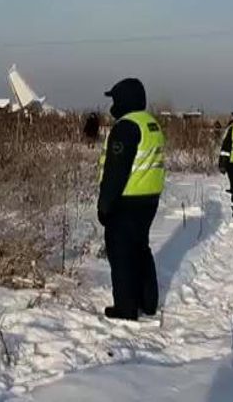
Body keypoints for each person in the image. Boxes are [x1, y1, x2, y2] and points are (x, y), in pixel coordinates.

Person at [97, 78, 165, 321]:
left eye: (115, 99)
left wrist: (104, 206)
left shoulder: (125, 127)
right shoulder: (150, 124)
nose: (113, 105)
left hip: (126, 201)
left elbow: (116, 172)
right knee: (140, 249)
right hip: (149, 200)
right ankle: (148, 303)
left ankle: (125, 308)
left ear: (124, 99)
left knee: (121, 254)